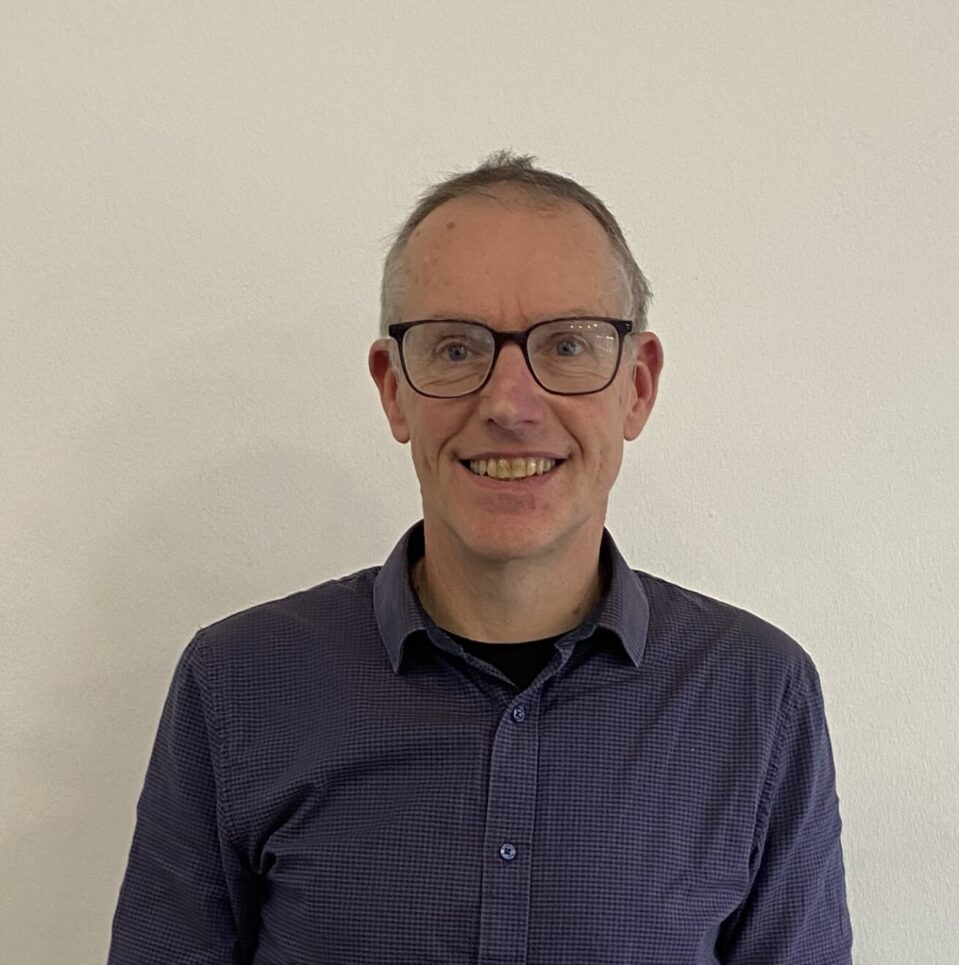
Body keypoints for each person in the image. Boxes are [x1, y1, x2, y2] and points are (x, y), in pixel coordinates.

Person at [108, 151, 853, 963]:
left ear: (636, 386)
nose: (508, 403)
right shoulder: (238, 682)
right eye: (456, 349)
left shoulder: (756, 695)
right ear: (393, 388)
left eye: (567, 345)